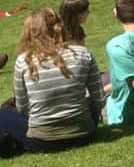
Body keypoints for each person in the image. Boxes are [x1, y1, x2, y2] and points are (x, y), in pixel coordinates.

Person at [0, 8, 104, 154]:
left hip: (42, 141)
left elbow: (22, 108)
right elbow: (99, 100)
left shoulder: (23, 61)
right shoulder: (83, 53)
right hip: (85, 134)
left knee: (3, 113)